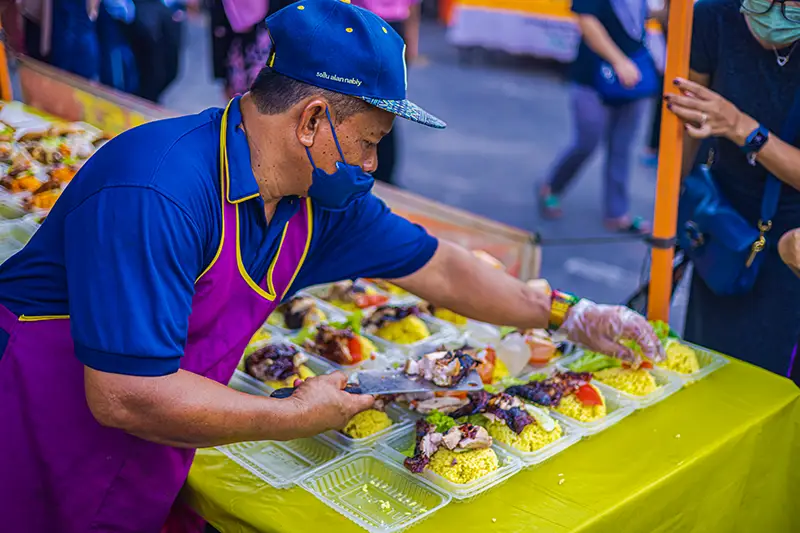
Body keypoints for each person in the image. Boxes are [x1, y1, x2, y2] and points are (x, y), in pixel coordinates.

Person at [0, 1, 662, 531]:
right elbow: (124, 394)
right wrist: (293, 413)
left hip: (153, 448)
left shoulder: (316, 203)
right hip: (33, 430)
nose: (373, 165)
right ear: (313, 118)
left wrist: (570, 313)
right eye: (370, 141)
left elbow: (445, 269)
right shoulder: (159, 189)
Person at [666, 0, 800, 378]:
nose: (774, 14)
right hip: (720, 228)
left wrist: (743, 128)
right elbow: (684, 128)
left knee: (772, 387)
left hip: (793, 245)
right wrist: (677, 214)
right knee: (706, 368)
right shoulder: (713, 16)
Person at [540, 0, 653, 234]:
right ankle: (552, 187)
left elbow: (642, 17)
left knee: (622, 147)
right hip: (593, 77)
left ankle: (617, 212)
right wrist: (618, 61)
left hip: (634, 75)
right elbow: (587, 21)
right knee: (587, 142)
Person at [353, 0, 421, 185]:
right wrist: (412, 42)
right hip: (376, 28)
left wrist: (411, 41)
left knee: (379, 107)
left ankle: (381, 172)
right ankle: (382, 172)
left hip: (371, 29)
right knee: (381, 107)